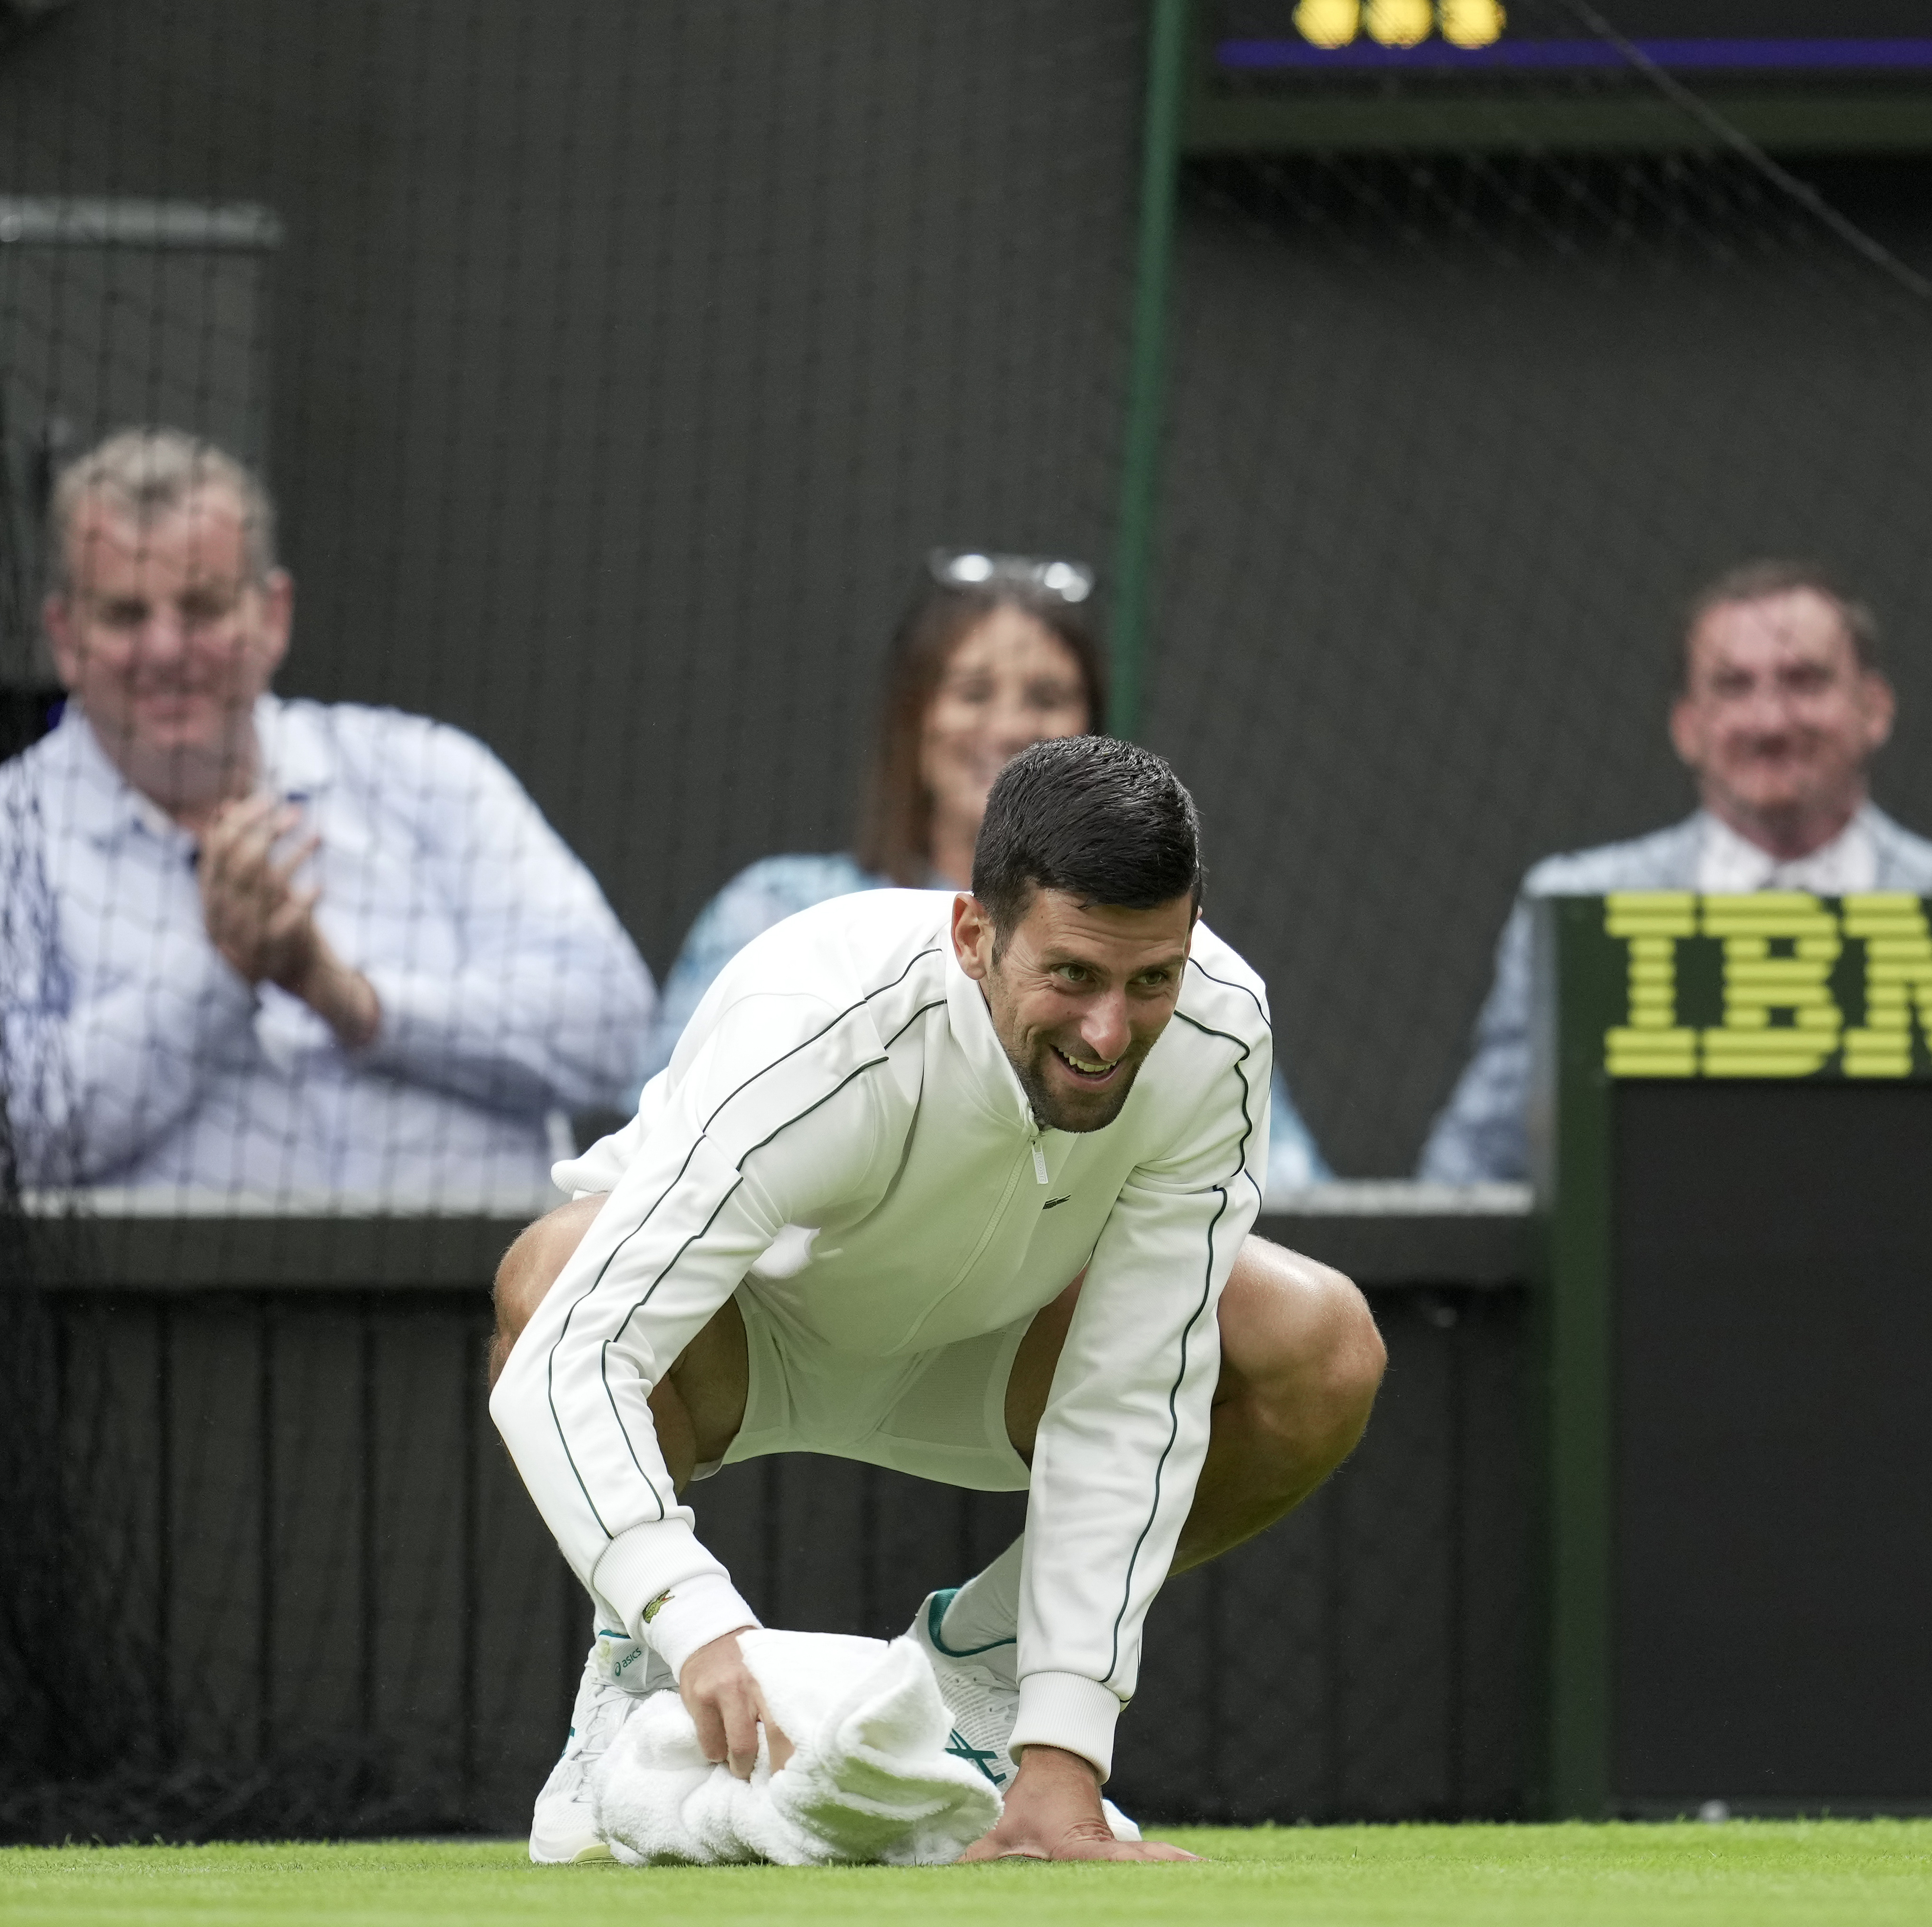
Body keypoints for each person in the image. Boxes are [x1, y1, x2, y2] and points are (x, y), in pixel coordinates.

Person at [489, 736, 1386, 1864]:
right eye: (1071, 975)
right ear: (974, 936)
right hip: (741, 1347)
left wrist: (1064, 1761)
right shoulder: (811, 1025)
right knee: (555, 1271)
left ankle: (983, 1673)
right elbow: (574, 1357)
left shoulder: (1216, 1034)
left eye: (1149, 980)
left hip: (994, 1360)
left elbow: (1130, 1398)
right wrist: (690, 1619)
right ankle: (630, 1677)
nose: (1109, 1033)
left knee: (1316, 1343)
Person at [0, 430, 653, 1202]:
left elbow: (613, 1025)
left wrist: (353, 1002)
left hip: (493, 1305)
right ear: (63, 636)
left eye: (201, 607)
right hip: (150, 1319)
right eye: (125, 615)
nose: (164, 649)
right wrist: (218, 976)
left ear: (274, 615)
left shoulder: (429, 774)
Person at [645, 551, 1336, 1193]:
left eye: (1044, 697)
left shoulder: (1148, 951)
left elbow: (1280, 1178)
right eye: (974, 691)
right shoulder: (776, 908)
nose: (1008, 727)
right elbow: (674, 1135)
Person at [1417, 560, 1932, 1186]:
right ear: (1687, 726)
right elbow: (1473, 1166)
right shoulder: (1579, 910)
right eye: (1732, 687)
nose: (1769, 721)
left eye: (1805, 681)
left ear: (1873, 708)